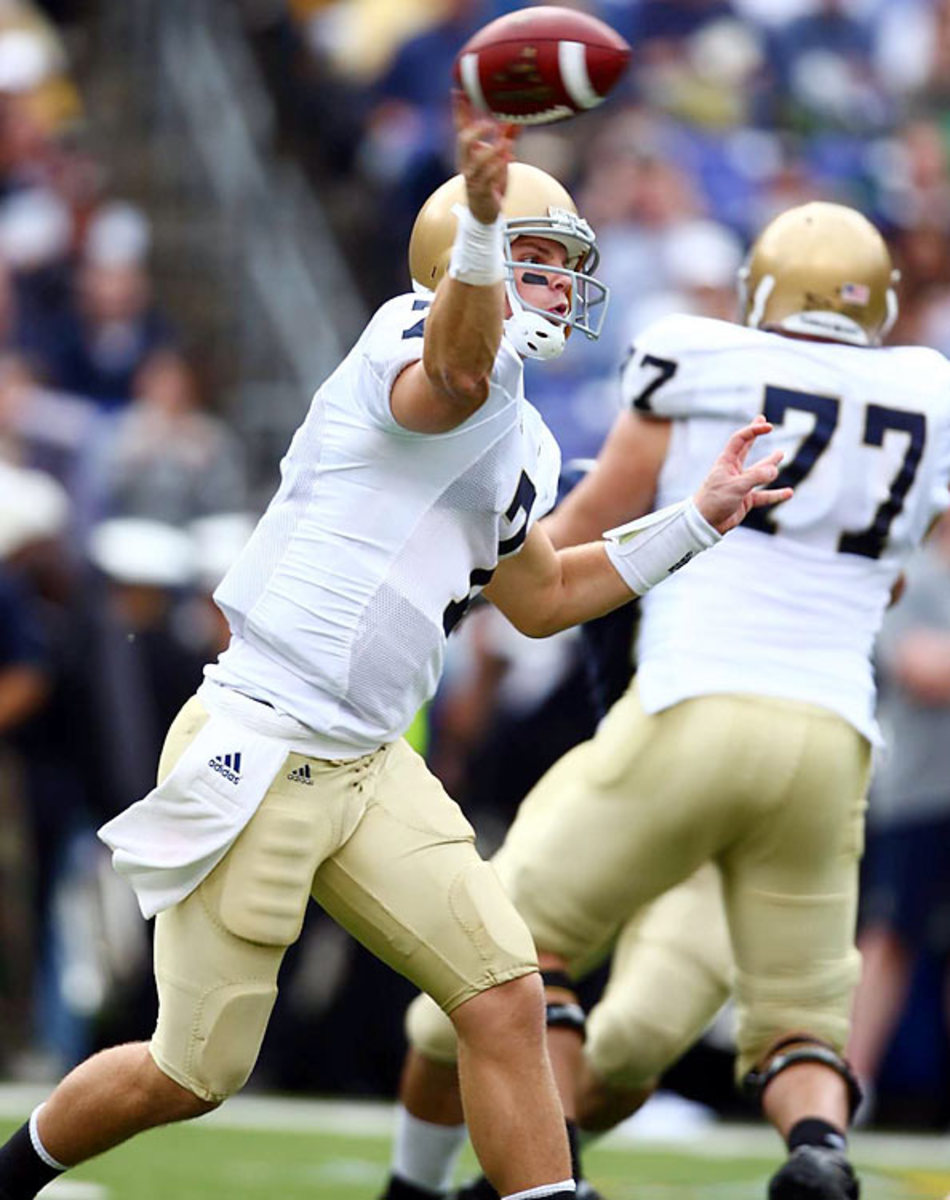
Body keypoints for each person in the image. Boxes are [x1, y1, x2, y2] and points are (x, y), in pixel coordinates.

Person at [0, 99, 787, 1200]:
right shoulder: (405, 337)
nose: (562, 288)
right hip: (262, 743)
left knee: (503, 999)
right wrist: (475, 227)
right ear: (469, 261)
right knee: (191, 1071)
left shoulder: (522, 428)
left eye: (567, 266)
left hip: (370, 764)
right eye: (539, 262)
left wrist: (694, 520)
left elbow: (547, 595)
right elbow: (451, 380)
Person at [377, 199, 950, 1200]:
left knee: (505, 948)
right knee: (800, 1020)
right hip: (830, 738)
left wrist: (473, 546)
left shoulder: (700, 357)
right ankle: (816, 1155)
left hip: (694, 705)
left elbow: (585, 526)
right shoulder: (926, 389)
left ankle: (535, 1168)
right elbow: (889, 572)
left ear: (761, 291)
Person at [848, 509, 950, 1123]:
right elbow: (921, 668)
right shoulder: (911, 573)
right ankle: (850, 1083)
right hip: (913, 790)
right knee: (887, 937)